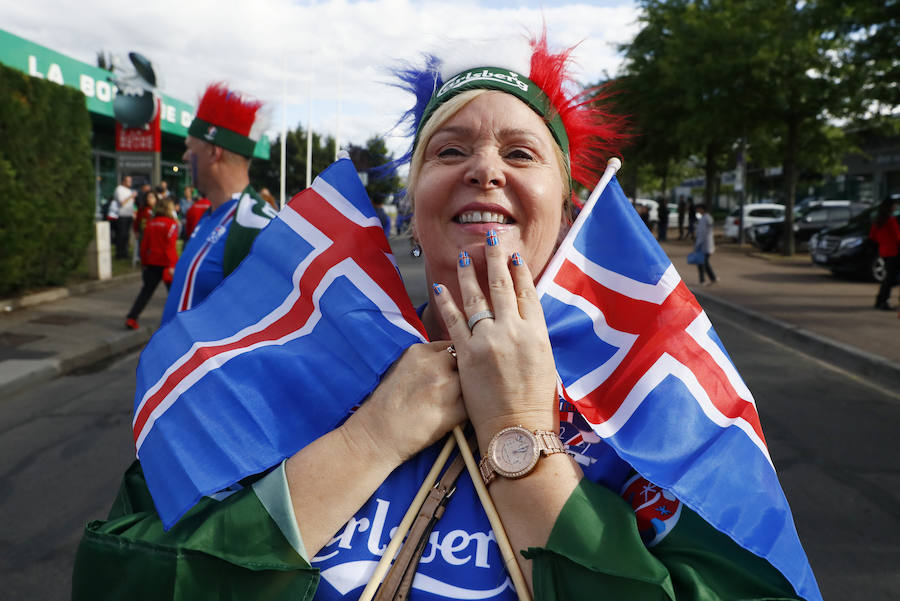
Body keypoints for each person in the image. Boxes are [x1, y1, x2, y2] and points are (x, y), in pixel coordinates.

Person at [73, 34, 804, 601]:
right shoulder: (300, 345)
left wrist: (522, 438)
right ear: (412, 213)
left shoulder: (659, 391)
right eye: (449, 150)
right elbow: (126, 575)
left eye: (521, 152)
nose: (484, 169)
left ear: (568, 210)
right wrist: (369, 438)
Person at [160, 82, 277, 325]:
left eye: (189, 148)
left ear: (214, 152)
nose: (184, 157)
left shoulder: (258, 226)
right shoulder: (211, 215)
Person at [125, 198, 180, 330]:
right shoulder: (172, 224)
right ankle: (178, 322)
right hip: (167, 265)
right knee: (174, 295)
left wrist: (144, 263)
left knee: (145, 293)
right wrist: (174, 265)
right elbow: (170, 248)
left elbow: (144, 246)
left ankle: (132, 318)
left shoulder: (150, 224)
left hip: (152, 263)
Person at [870, 196, 900, 310]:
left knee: (888, 278)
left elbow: (873, 236)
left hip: (884, 251)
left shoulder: (878, 220)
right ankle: (883, 301)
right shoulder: (890, 221)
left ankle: (880, 300)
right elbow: (897, 237)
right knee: (890, 279)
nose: (896, 207)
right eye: (894, 205)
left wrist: (883, 241)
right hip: (894, 251)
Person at [112, 174, 137, 259]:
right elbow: (122, 203)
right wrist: (131, 196)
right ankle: (119, 254)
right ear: (123, 181)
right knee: (121, 235)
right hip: (121, 215)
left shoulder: (129, 190)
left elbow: (131, 205)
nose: (130, 182)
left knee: (126, 236)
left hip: (129, 215)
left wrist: (133, 214)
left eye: (131, 180)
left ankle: (125, 253)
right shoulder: (119, 189)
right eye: (128, 181)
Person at [694, 203, 718, 285]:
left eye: (698, 209)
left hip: (704, 245)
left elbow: (703, 233)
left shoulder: (706, 218)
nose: (697, 210)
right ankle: (712, 278)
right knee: (704, 263)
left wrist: (698, 244)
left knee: (702, 263)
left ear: (702, 209)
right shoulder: (704, 218)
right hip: (704, 244)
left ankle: (702, 280)